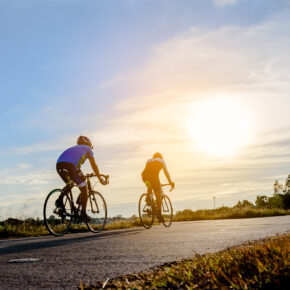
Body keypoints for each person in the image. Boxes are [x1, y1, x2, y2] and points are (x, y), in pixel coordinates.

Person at [55, 136, 107, 221]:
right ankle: (83, 213)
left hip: (59, 165)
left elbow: (77, 167)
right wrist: (100, 179)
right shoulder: (88, 148)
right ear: (89, 144)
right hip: (70, 166)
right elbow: (94, 165)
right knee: (84, 189)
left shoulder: (75, 149)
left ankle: (60, 200)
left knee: (71, 183)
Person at [141, 152, 175, 222]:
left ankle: (148, 198)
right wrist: (170, 182)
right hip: (154, 179)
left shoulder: (149, 160)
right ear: (161, 157)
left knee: (150, 185)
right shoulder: (161, 161)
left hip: (144, 177)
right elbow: (166, 172)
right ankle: (159, 216)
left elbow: (149, 172)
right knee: (158, 197)